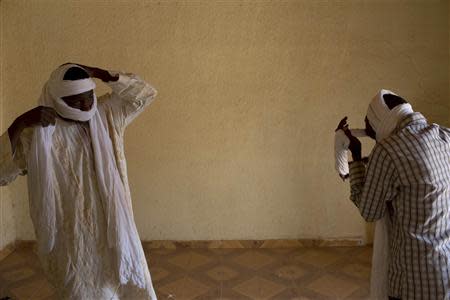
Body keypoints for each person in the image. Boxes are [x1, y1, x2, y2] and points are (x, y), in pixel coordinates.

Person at [0, 63, 158, 299]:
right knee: (81, 291)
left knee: (124, 286)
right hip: (72, 238)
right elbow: (2, 174)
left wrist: (102, 74)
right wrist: (19, 123)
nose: (85, 105)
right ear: (56, 99)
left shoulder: (105, 113)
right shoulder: (37, 134)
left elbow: (145, 95)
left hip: (115, 228)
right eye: (75, 101)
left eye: (88, 96)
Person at [336, 89, 450, 300]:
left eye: (370, 128)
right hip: (445, 271)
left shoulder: (388, 150)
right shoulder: (444, 136)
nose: (372, 135)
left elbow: (369, 211)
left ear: (382, 122)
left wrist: (357, 156)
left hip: (414, 280)